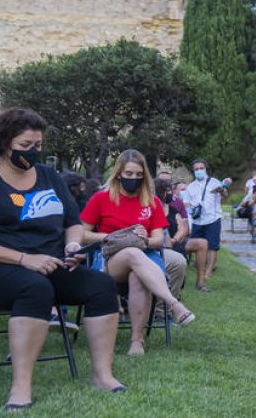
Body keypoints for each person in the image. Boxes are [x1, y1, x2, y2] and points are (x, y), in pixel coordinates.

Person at [0, 108, 124, 409]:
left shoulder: (48, 176)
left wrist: (71, 247)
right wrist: (23, 259)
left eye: (38, 145)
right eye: (26, 146)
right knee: (35, 286)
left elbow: (73, 222)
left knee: (102, 285)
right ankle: (20, 389)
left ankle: (102, 375)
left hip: (46, 264)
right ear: (4, 143)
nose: (33, 152)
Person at [79, 149, 195, 356]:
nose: (134, 178)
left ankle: (137, 341)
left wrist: (144, 239)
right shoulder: (101, 198)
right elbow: (82, 234)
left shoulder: (151, 201)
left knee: (137, 276)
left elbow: (159, 240)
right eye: (129, 174)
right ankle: (173, 304)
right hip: (109, 260)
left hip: (145, 257)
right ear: (118, 174)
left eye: (139, 175)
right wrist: (112, 236)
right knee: (132, 253)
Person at [181, 158, 229, 292]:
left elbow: (224, 196)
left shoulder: (214, 182)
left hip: (213, 218)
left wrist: (223, 191)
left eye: (201, 168)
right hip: (197, 220)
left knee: (212, 246)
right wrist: (192, 208)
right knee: (197, 246)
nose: (199, 171)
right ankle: (199, 268)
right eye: (196, 169)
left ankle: (208, 272)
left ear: (205, 169)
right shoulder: (191, 186)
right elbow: (186, 202)